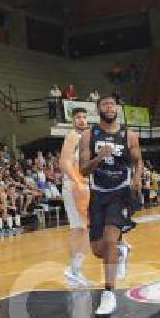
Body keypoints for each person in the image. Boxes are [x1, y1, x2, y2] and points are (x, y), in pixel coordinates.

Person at [79, 94, 143, 318]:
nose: (109, 107)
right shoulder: (89, 135)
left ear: (117, 108)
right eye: (104, 104)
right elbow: (83, 170)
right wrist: (99, 158)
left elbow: (137, 161)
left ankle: (109, 293)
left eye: (112, 104)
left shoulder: (129, 134)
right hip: (98, 194)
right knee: (99, 250)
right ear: (99, 109)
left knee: (109, 238)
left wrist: (136, 180)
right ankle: (120, 250)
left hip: (121, 193)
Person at [59, 108, 92, 287]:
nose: (81, 120)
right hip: (74, 187)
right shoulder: (73, 136)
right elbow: (63, 162)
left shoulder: (86, 137)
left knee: (80, 229)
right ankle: (74, 269)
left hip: (81, 186)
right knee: (85, 229)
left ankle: (74, 271)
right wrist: (76, 182)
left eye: (84, 117)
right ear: (73, 120)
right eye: (78, 117)